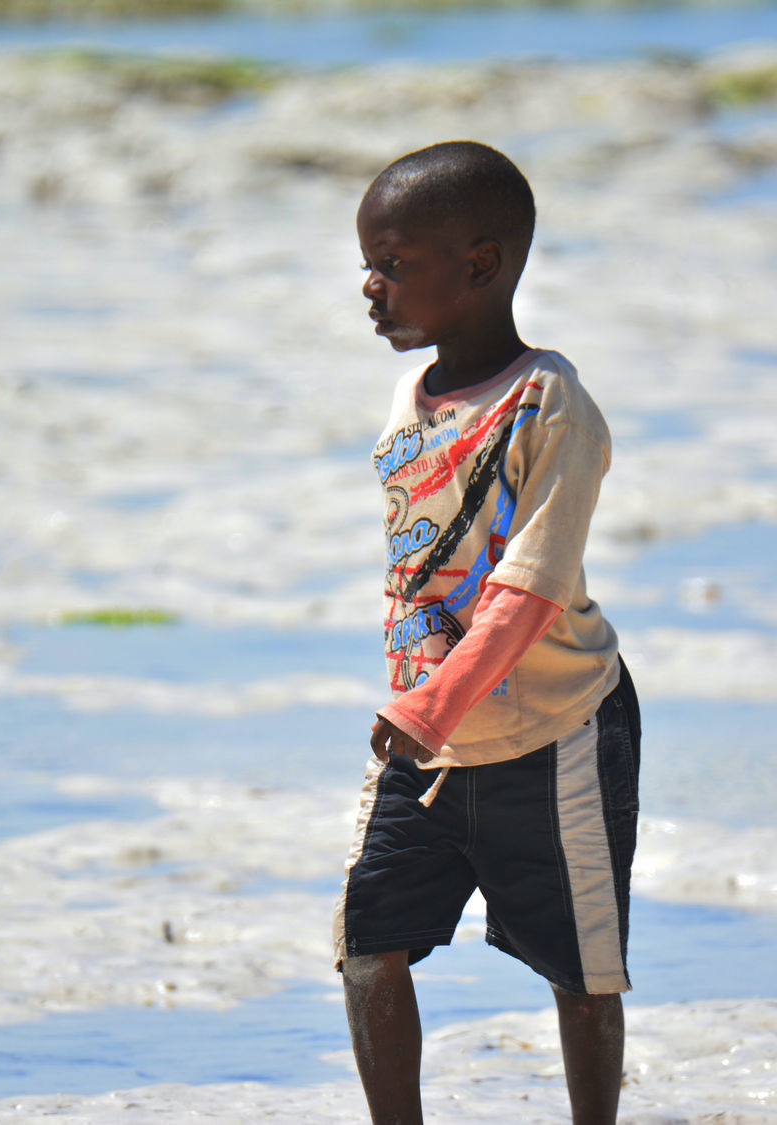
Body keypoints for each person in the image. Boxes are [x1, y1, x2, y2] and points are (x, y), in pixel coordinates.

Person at [333, 140, 640, 1125]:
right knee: (365, 941)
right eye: (366, 264)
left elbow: (526, 591)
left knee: (580, 966)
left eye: (393, 262)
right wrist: (421, 704)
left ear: (479, 263)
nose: (369, 288)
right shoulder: (408, 401)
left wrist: (429, 706)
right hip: (428, 737)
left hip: (556, 727)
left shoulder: (550, 405)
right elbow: (417, 569)